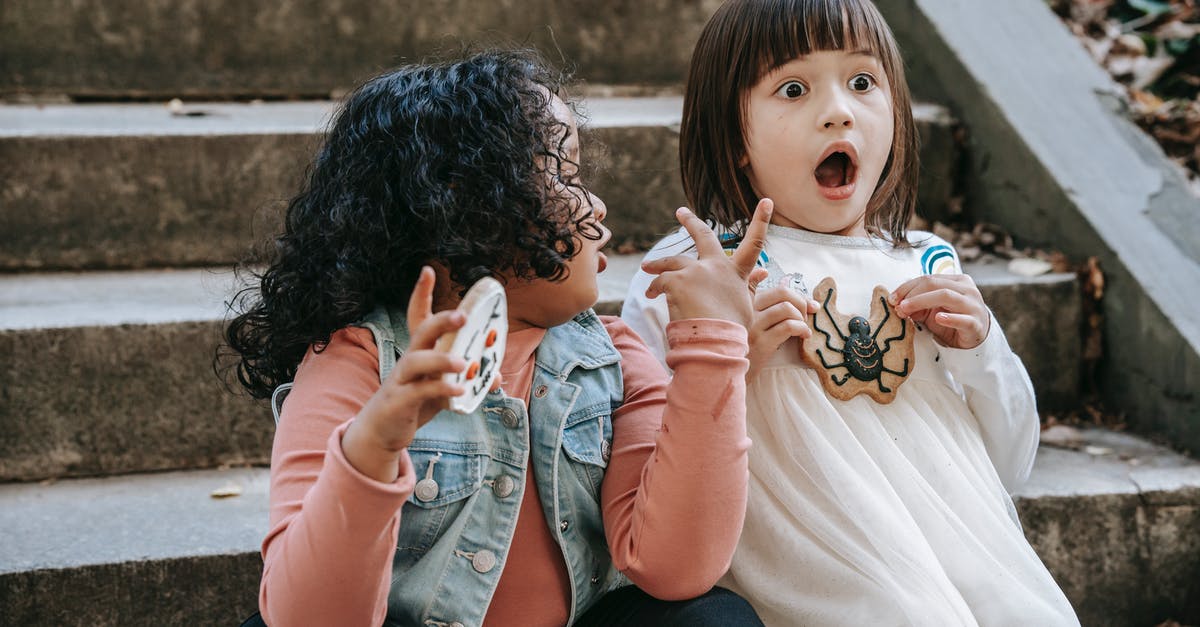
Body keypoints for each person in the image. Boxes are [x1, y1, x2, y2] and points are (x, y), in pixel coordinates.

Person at [222, 49, 771, 627]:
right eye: (565, 174)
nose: (597, 204)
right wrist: (375, 444)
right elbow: (306, 617)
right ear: (469, 206)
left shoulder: (614, 355)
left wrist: (713, 346)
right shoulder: (355, 362)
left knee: (711, 618)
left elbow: (676, 569)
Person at [620, 1, 1080, 625]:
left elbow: (1010, 463)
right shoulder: (699, 269)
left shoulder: (928, 264)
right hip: (815, 576)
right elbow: (649, 467)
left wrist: (983, 349)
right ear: (733, 140)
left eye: (862, 82)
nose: (839, 109)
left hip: (961, 562)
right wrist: (730, 359)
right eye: (792, 88)